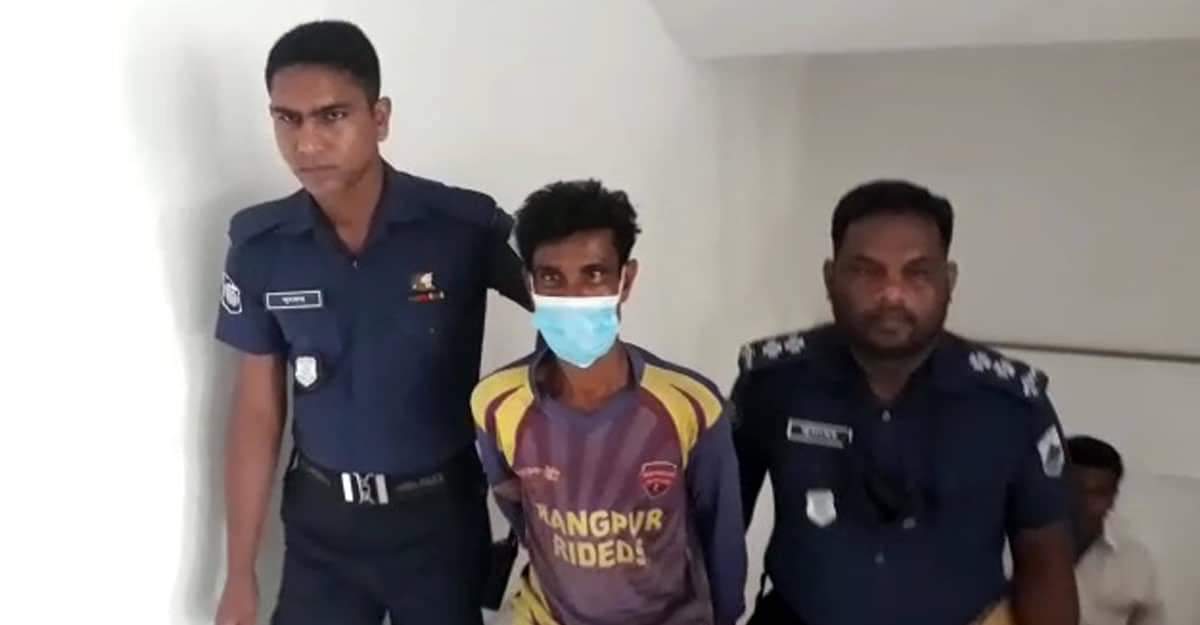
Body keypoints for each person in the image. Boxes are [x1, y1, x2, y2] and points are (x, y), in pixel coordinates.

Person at [212, 20, 530, 625]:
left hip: (439, 522)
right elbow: (257, 412)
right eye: (287, 119)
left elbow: (569, 308)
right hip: (321, 527)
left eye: (331, 116)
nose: (307, 143)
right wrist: (239, 573)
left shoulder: (459, 227)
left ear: (379, 118)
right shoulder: (261, 247)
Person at [731, 180, 1079, 625]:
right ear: (830, 278)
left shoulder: (1011, 404)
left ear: (949, 281)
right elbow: (713, 533)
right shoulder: (774, 383)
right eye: (866, 272)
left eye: (917, 273)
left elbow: (1046, 565)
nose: (892, 294)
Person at [469, 180, 748, 625]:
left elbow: (722, 537)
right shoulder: (496, 403)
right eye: (552, 278)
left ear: (626, 280)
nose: (573, 297)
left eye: (594, 274)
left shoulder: (690, 406)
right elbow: (521, 512)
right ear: (529, 284)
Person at [1067, 435, 1165, 625]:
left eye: (1097, 493)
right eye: (1074, 490)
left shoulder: (1134, 560)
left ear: (1113, 498)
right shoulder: (1015, 551)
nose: (1084, 503)